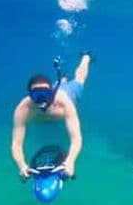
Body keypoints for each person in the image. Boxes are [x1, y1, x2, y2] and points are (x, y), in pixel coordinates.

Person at [11, 52, 92, 180]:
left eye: (45, 95)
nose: (42, 100)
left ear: (52, 93)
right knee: (59, 82)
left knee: (79, 80)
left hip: (68, 93)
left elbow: (76, 138)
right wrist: (21, 166)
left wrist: (70, 162)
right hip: (55, 89)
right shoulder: (23, 109)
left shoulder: (64, 103)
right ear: (30, 96)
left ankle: (86, 57)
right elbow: (16, 143)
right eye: (37, 96)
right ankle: (63, 79)